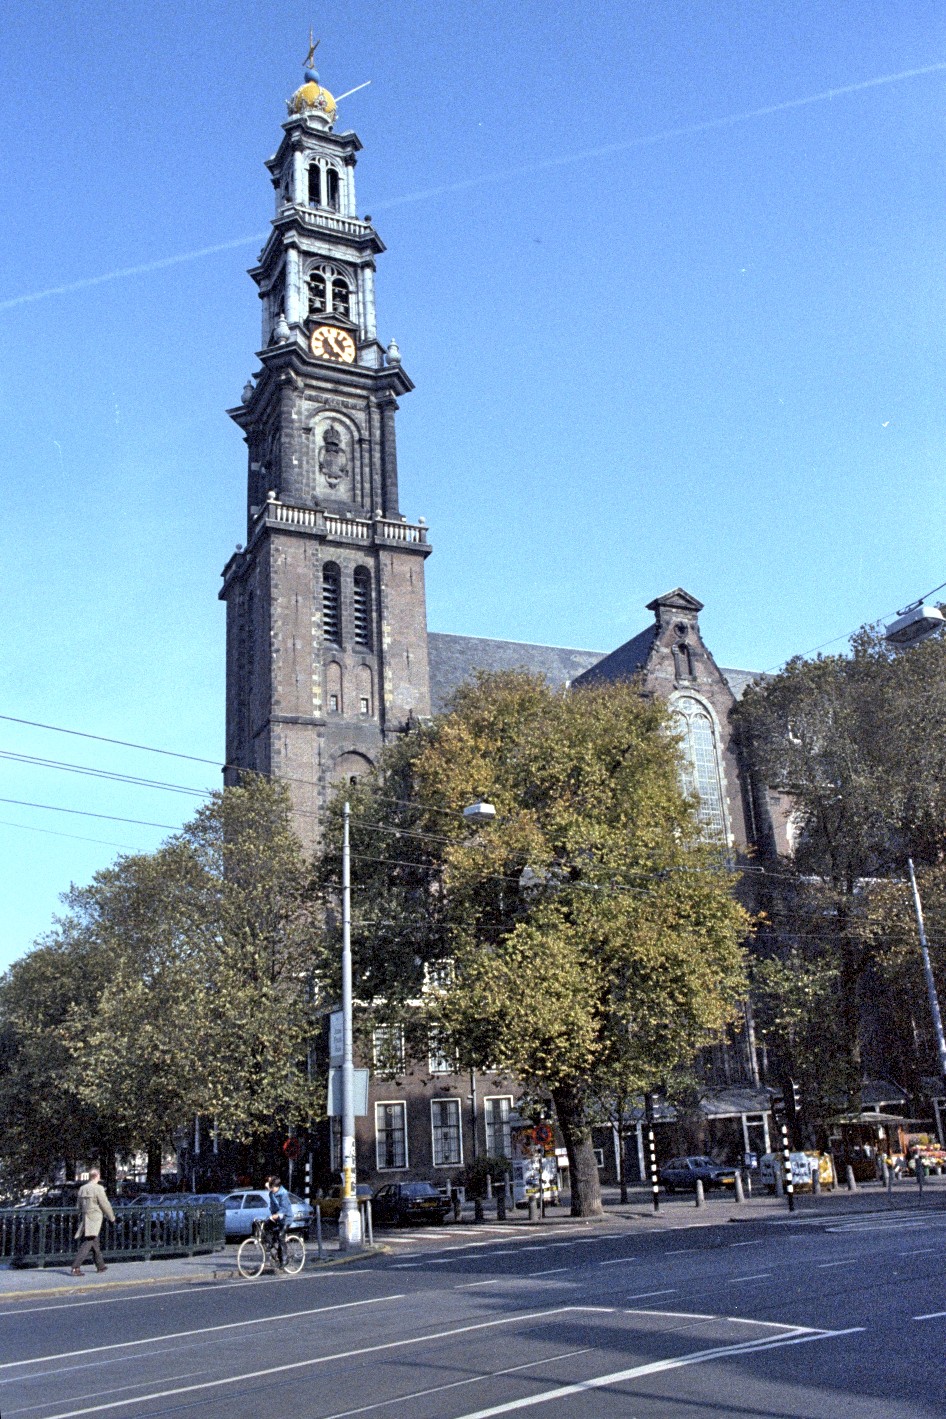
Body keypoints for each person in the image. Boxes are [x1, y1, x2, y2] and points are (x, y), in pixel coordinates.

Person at [70, 1169, 115, 1276]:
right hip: (95, 1218)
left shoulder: (82, 1188)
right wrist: (111, 1217)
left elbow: (78, 1206)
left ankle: (100, 1266)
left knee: (94, 1241)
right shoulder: (98, 1188)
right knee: (89, 1242)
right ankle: (75, 1267)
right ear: (97, 1176)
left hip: (86, 1217)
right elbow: (105, 1204)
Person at [265, 1175, 294, 1265]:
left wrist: (275, 1216)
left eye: (272, 1187)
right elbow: (273, 1206)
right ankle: (271, 1244)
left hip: (286, 1218)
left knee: (281, 1235)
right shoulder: (272, 1194)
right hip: (277, 1217)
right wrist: (272, 1215)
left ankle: (284, 1258)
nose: (271, 1188)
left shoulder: (283, 1194)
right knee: (267, 1225)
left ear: (277, 1187)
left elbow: (283, 1209)